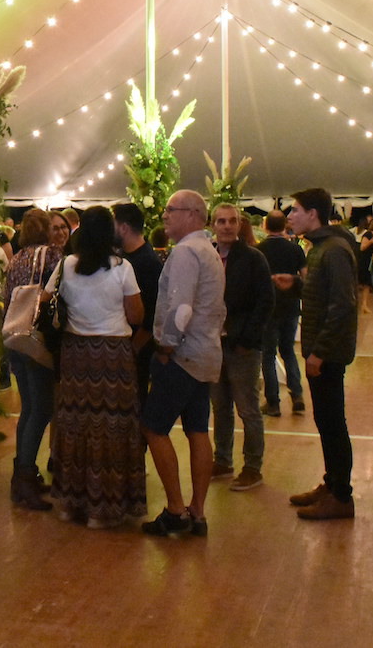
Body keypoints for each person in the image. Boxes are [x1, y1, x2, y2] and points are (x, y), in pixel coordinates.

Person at [43, 206, 145, 529]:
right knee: (111, 428)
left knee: (75, 425)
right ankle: (103, 509)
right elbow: (137, 315)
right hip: (113, 355)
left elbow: (45, 300)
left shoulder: (66, 265)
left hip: (75, 353)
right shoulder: (122, 268)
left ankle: (70, 502)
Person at [140, 191, 222, 537]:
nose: (165, 215)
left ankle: (175, 510)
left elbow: (180, 308)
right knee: (197, 430)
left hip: (183, 355)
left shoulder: (186, 252)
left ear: (192, 214)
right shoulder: (209, 250)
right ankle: (198, 512)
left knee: (153, 427)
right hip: (205, 352)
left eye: (170, 210)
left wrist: (165, 347)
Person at [286, 188, 358, 521]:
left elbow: (342, 305)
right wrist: (296, 285)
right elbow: (323, 294)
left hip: (327, 352)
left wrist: (320, 352)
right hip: (321, 349)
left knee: (332, 423)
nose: (290, 216)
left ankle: (341, 496)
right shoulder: (321, 248)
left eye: (295, 210)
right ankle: (332, 484)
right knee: (325, 421)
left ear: (313, 214)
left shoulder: (334, 250)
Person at [209, 204, 273, 493]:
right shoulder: (208, 256)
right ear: (212, 225)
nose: (226, 226)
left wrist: (248, 340)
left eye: (232, 221)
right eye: (221, 221)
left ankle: (252, 467)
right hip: (214, 344)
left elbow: (265, 301)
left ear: (239, 224)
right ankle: (222, 460)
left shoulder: (253, 258)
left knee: (248, 409)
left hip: (242, 346)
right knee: (220, 406)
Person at [1, 209, 63, 510]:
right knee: (42, 409)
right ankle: (25, 476)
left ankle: (22, 473)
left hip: (16, 335)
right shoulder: (52, 257)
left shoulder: (16, 258)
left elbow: (6, 297)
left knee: (28, 408)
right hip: (37, 336)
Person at [256, 210, 306, 418]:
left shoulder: (259, 250)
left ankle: (273, 402)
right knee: (288, 351)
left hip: (268, 308)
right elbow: (305, 277)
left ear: (266, 226)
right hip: (291, 306)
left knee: (268, 355)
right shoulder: (295, 249)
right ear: (285, 226)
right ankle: (297, 395)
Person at [112, 202, 162, 407]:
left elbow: (153, 314)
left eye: (113, 224)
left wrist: (133, 349)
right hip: (125, 346)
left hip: (137, 349)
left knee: (134, 404)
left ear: (124, 227)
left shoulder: (147, 262)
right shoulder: (124, 257)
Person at [356, 218, 373, 315]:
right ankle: (358, 304)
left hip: (369, 261)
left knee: (367, 284)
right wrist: (370, 242)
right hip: (363, 261)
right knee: (360, 282)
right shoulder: (368, 234)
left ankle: (364, 305)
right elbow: (362, 247)